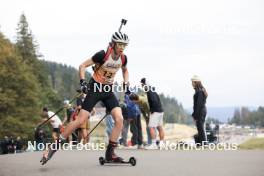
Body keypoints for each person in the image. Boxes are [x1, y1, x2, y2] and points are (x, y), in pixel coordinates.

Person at [42, 31, 129, 163]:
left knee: (119, 119)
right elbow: (82, 66)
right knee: (80, 119)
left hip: (108, 90)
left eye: (124, 45)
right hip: (95, 88)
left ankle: (110, 153)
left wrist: (126, 82)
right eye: (120, 44)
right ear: (114, 43)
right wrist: (83, 82)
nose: (122, 47)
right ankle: (54, 146)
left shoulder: (123, 58)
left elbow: (125, 70)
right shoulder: (102, 54)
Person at [141, 78, 165, 150]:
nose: (142, 86)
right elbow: (158, 100)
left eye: (142, 85)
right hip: (160, 110)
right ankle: (161, 144)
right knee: (159, 127)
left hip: (155, 111)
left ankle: (154, 144)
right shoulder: (153, 90)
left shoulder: (149, 91)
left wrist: (152, 111)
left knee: (151, 127)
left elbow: (154, 101)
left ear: (145, 84)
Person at [191, 75, 208, 146]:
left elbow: (198, 105)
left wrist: (195, 116)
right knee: (200, 128)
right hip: (201, 111)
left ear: (196, 82)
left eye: (192, 82)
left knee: (200, 128)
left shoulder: (199, 91)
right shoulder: (200, 90)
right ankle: (202, 144)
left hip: (200, 112)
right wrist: (194, 115)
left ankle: (204, 144)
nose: (191, 84)